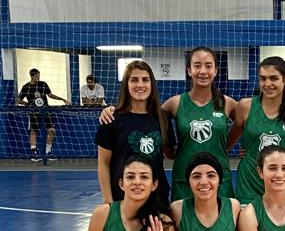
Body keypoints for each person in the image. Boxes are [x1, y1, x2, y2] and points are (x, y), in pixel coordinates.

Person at [101, 46, 238, 201]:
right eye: (197, 65)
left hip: (219, 178)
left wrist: (225, 145)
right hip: (184, 178)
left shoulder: (228, 103)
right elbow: (146, 118)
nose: (203, 71)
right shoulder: (174, 104)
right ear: (189, 70)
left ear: (216, 70)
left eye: (208, 65)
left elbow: (245, 122)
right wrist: (113, 110)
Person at [231, 56, 285, 205]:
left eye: (273, 78)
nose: (267, 84)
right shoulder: (245, 106)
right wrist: (251, 151)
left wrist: (283, 154)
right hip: (249, 184)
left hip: (281, 183)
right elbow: (228, 140)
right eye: (263, 79)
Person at [96, 61, 172, 205]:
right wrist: (108, 202)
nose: (140, 85)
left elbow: (170, 152)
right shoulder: (112, 119)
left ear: (151, 84)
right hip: (123, 198)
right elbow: (103, 163)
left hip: (157, 197)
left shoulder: (162, 117)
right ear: (126, 84)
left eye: (145, 80)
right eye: (134, 80)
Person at [16, 68, 69, 161]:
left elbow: (50, 95)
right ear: (31, 76)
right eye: (36, 76)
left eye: (39, 76)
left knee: (52, 130)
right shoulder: (26, 87)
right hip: (34, 112)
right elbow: (18, 100)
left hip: (45, 111)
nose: (38, 78)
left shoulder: (43, 84)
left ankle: (48, 152)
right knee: (34, 131)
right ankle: (34, 152)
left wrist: (62, 99)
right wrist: (27, 104)